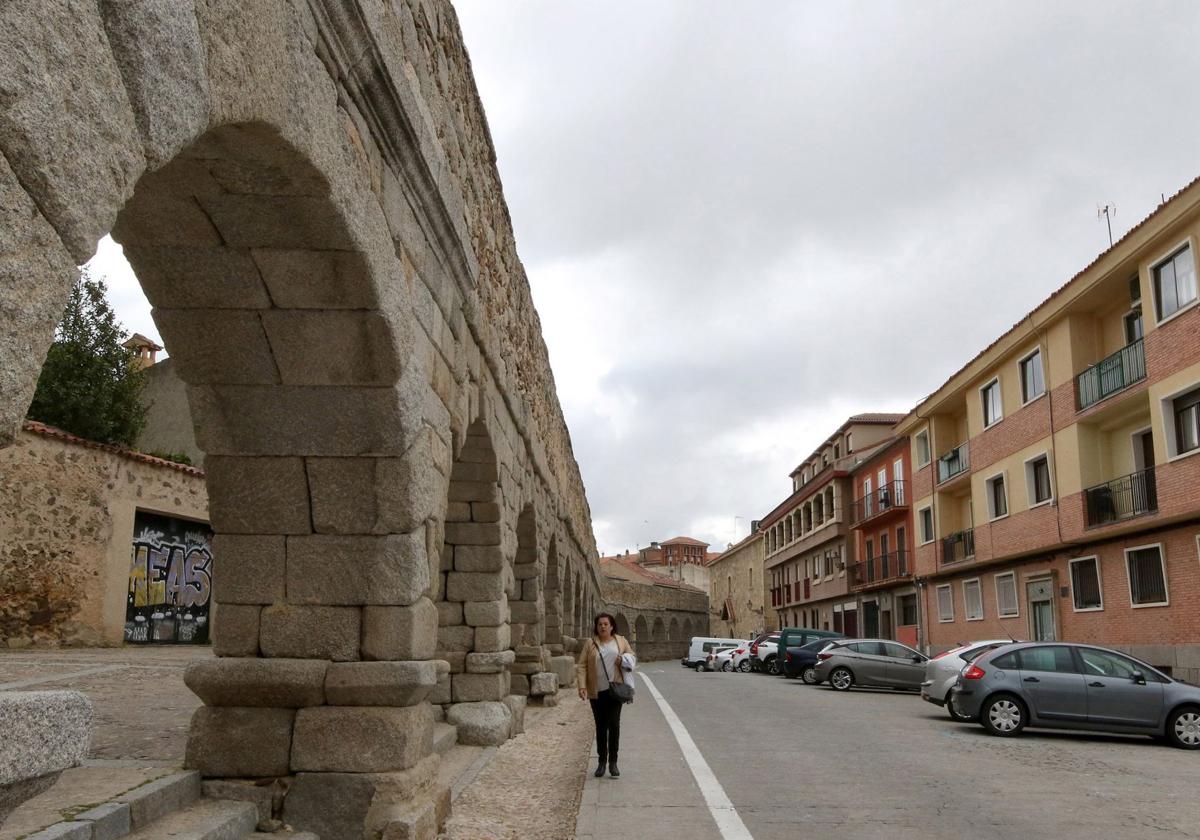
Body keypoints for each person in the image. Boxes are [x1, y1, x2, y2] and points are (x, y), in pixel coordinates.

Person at [576, 612, 635, 778]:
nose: (602, 626)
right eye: (600, 624)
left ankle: (613, 763)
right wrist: (582, 686)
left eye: (605, 624)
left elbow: (632, 657)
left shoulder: (621, 641)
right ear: (596, 626)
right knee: (601, 727)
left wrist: (623, 660)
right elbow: (582, 666)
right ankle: (602, 762)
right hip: (597, 691)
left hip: (615, 691)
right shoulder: (590, 644)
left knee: (614, 725)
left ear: (611, 626)